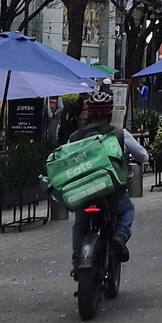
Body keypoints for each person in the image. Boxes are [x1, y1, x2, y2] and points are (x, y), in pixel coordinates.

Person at [67, 90, 148, 264]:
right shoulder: (120, 133)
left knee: (80, 223)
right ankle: (120, 235)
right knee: (128, 210)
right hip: (111, 192)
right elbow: (143, 156)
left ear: (88, 113)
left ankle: (76, 259)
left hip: (84, 192)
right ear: (110, 113)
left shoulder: (75, 137)